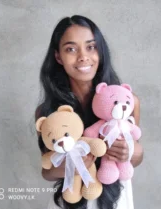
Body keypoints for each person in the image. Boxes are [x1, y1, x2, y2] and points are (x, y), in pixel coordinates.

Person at [35, 15, 144, 209]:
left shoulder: (126, 100)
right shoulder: (47, 112)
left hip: (115, 200)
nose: (83, 56)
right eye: (71, 49)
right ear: (58, 56)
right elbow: (47, 171)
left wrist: (129, 151)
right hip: (70, 201)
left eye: (91, 47)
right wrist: (70, 166)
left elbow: (137, 156)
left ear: (100, 51)